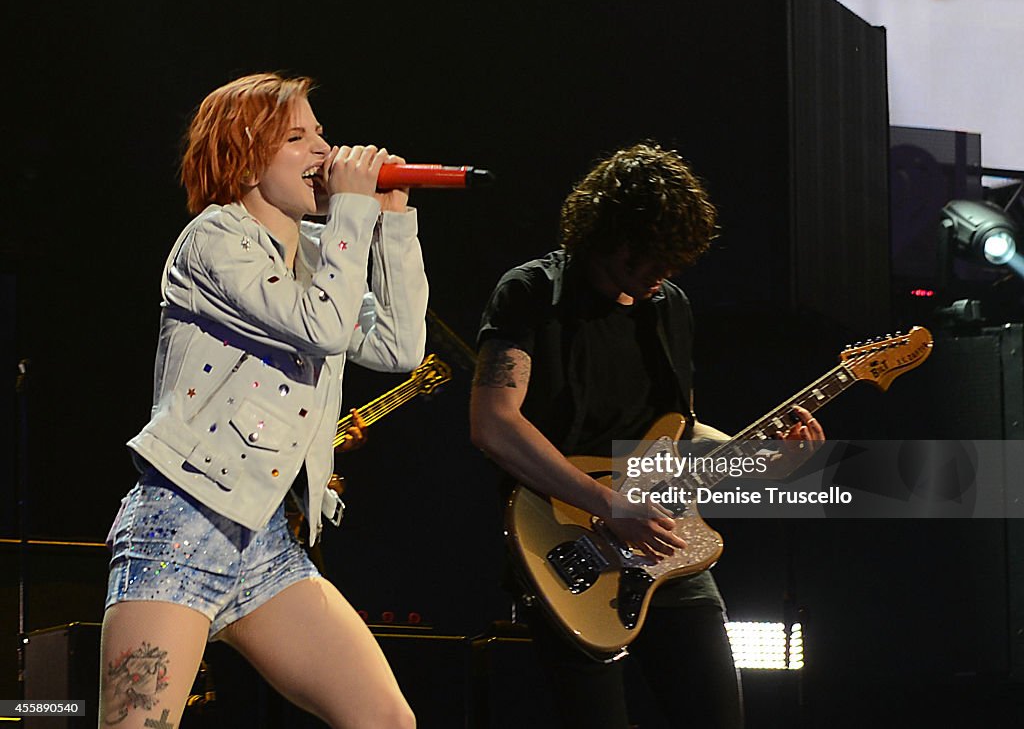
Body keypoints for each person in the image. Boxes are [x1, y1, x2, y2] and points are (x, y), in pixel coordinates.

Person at [100, 73, 427, 729]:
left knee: (386, 721)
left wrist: (390, 222)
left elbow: (397, 347)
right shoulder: (213, 241)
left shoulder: (315, 256)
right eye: (298, 137)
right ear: (246, 156)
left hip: (264, 545)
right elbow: (323, 326)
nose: (325, 152)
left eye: (322, 134)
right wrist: (353, 214)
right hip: (179, 533)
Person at [469, 143, 824, 729]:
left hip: (667, 545)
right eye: (650, 259)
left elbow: (678, 435)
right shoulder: (531, 293)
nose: (664, 275)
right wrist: (611, 504)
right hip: (565, 542)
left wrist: (761, 457)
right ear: (608, 236)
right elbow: (493, 424)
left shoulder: (669, 308)